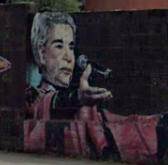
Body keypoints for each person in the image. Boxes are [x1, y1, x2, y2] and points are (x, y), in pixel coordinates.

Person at [24, 12, 113, 156]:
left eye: (71, 47)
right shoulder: (32, 96)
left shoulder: (89, 108)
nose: (68, 57)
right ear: (42, 53)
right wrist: (78, 97)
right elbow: (52, 103)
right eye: (59, 46)